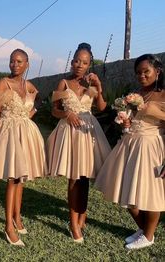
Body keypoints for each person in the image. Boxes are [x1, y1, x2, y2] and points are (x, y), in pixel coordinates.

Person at [95, 54, 165, 250]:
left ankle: (149, 235)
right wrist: (125, 122)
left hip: (151, 146)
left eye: (146, 71)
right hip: (129, 144)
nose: (141, 76)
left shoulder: (163, 94)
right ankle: (143, 229)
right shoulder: (136, 92)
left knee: (150, 194)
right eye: (138, 73)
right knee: (125, 190)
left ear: (157, 72)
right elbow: (131, 119)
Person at [47, 43, 111, 243]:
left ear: (89, 64)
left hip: (89, 132)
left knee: (85, 177)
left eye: (84, 62)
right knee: (74, 178)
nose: (79, 65)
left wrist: (99, 87)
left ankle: (82, 215)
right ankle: (73, 223)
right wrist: (66, 113)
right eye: (76, 61)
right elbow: (54, 111)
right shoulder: (63, 83)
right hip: (71, 132)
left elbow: (101, 108)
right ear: (72, 61)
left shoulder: (91, 84)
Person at [0, 48, 47, 246]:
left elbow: (35, 104)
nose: (15, 65)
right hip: (9, 133)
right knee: (12, 179)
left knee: (21, 179)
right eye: (12, 61)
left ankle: (17, 217)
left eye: (19, 61)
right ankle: (8, 226)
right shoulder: (3, 83)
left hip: (26, 134)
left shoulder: (28, 85)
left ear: (27, 64)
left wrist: (29, 113)